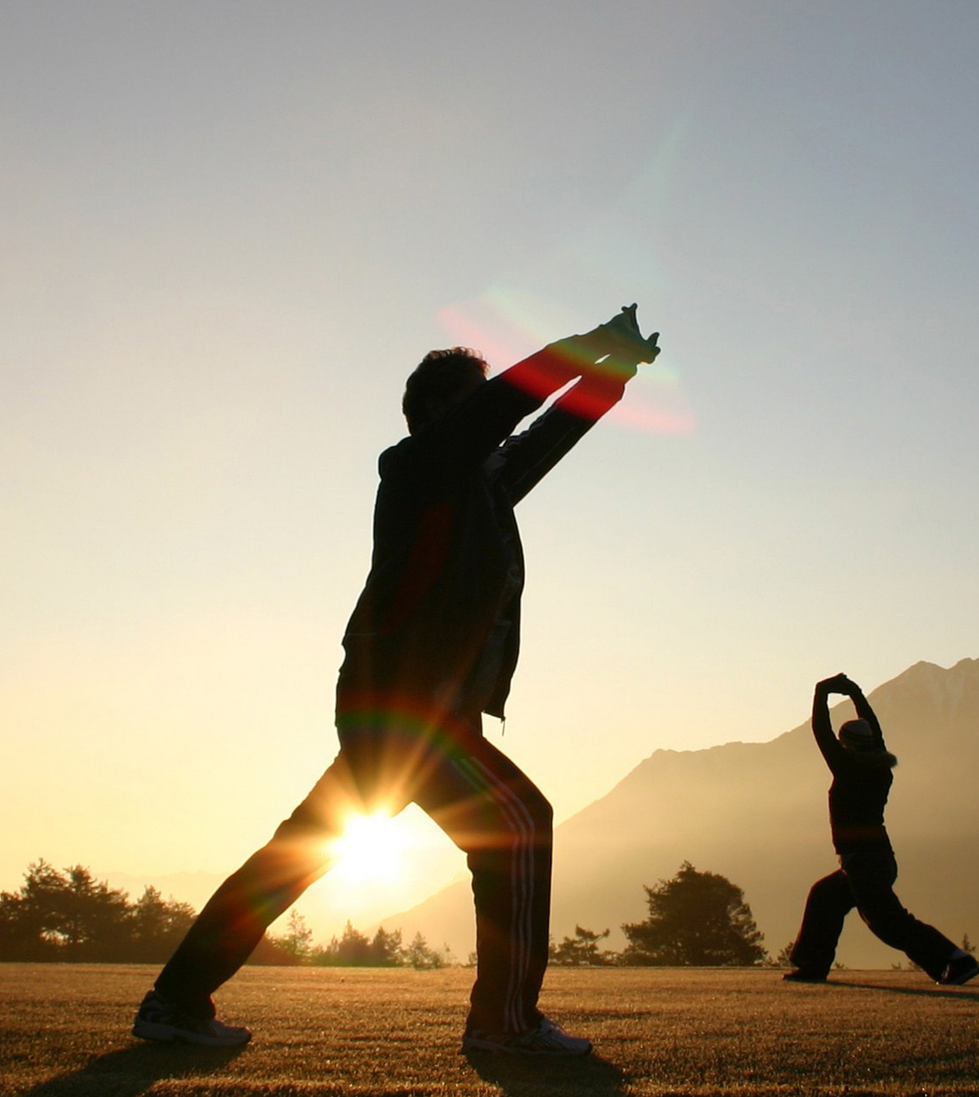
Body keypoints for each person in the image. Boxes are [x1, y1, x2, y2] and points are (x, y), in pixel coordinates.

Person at [133, 306, 662, 1057]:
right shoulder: (416, 467)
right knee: (517, 824)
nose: (489, 419)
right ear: (440, 413)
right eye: (473, 402)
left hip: (405, 708)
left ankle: (175, 1000)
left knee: (301, 852)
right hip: (410, 710)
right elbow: (510, 404)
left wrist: (614, 373)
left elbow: (545, 435)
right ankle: (503, 1024)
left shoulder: (476, 485)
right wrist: (590, 346)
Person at [781, 674, 978, 986]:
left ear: (846, 744)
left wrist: (823, 691)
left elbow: (821, 731)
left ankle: (956, 960)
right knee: (825, 897)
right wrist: (855, 693)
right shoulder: (881, 767)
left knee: (889, 923)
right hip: (875, 859)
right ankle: (812, 966)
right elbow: (874, 729)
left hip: (863, 863)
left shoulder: (848, 768)